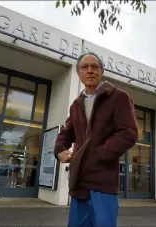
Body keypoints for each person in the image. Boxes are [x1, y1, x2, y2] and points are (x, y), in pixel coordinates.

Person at [54, 52, 138, 227]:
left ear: (102, 71)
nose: (90, 70)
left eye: (94, 66)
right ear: (79, 73)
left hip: (103, 181)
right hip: (79, 181)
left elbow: (128, 133)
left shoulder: (118, 97)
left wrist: (98, 155)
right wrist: (60, 149)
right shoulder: (76, 104)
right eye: (85, 67)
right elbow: (66, 132)